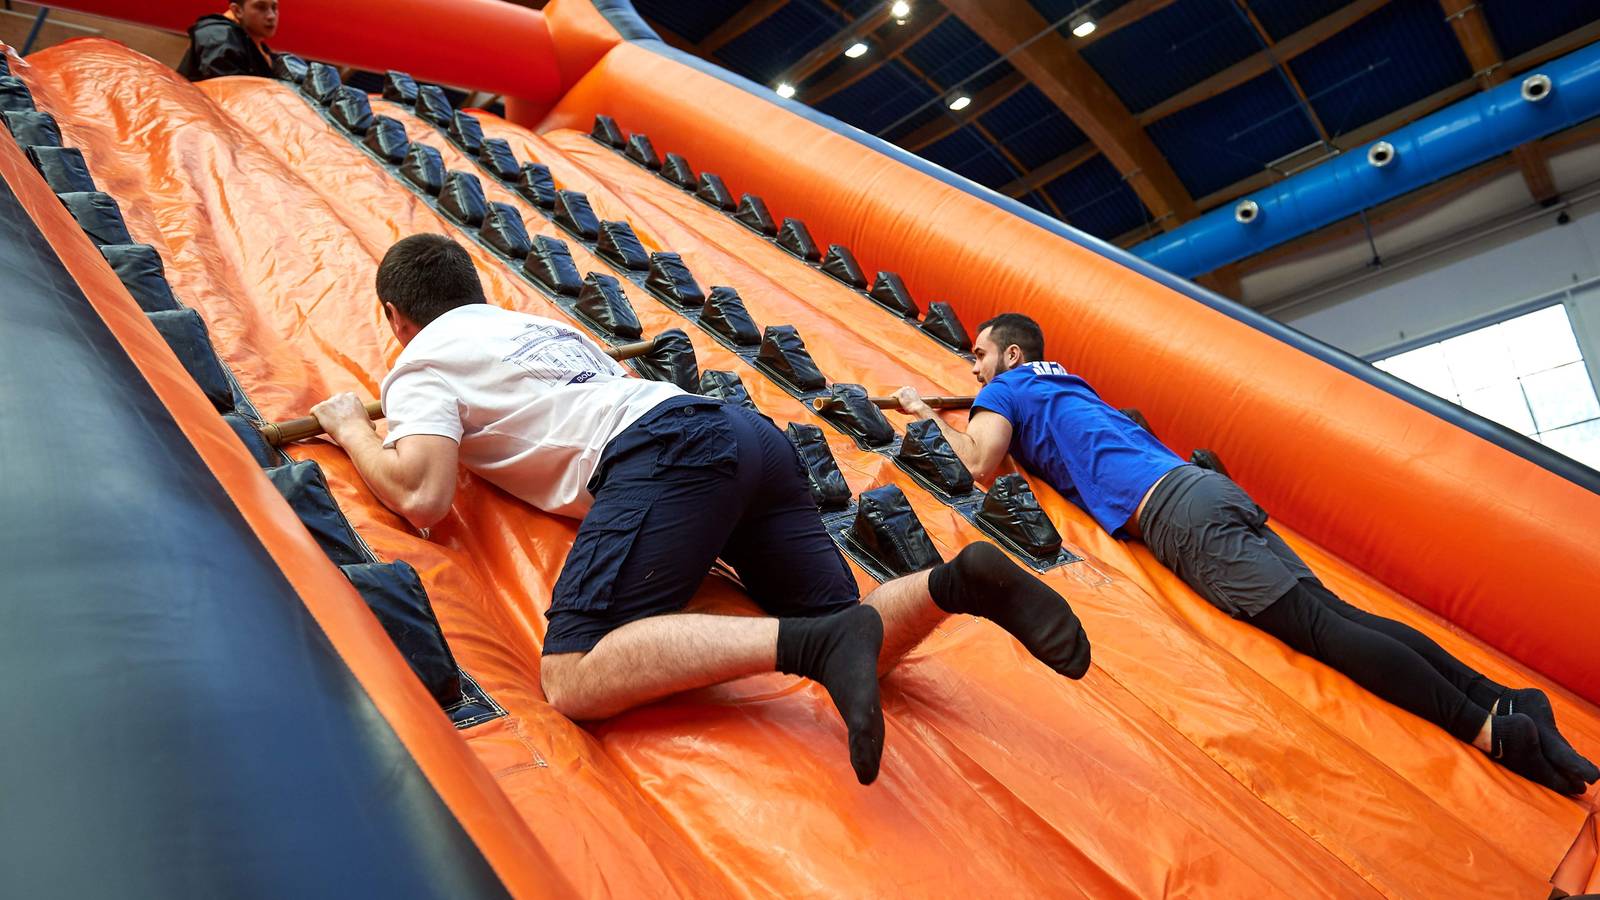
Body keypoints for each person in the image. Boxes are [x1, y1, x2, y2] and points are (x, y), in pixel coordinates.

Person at [311, 236, 1092, 784]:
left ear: (395, 316)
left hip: (666, 454)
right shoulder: (540, 326)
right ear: (474, 291)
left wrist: (351, 425)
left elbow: (422, 494)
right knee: (865, 639)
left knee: (573, 676)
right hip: (741, 435)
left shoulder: (420, 361)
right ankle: (954, 583)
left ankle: (811, 644)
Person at [894, 312, 1598, 796]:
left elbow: (978, 463)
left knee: (1322, 631)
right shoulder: (1062, 381)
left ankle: (1489, 732)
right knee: (1340, 612)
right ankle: (1508, 699)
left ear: (1011, 356)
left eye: (979, 355)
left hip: (1174, 513)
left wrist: (925, 414)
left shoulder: (1007, 387)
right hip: (1205, 488)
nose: (973, 367)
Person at [177, 0, 279, 82]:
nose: (271, 16)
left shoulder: (256, 45)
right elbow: (234, 95)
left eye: (274, 7)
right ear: (237, 11)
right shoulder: (219, 39)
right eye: (260, 7)